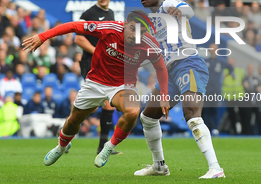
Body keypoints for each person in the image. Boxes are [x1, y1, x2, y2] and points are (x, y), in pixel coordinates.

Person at [22, 10, 169, 168]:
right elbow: (73, 26)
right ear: (125, 24)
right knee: (74, 120)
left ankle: (108, 147)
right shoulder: (110, 29)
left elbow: (161, 68)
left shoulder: (149, 45)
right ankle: (61, 146)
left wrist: (165, 95)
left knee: (133, 111)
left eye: (141, 32)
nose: (135, 35)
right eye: (132, 29)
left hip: (123, 85)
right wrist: (43, 36)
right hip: (95, 82)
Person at [136, 0, 225, 179]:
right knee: (148, 117)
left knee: (192, 115)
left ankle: (216, 168)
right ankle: (159, 166)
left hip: (188, 63)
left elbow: (188, 9)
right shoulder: (149, 23)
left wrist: (181, 11)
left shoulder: (168, 4)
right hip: (168, 72)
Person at [74, 0, 119, 155]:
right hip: (90, 63)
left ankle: (103, 146)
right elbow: (79, 39)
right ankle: (64, 129)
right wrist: (98, 52)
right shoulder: (89, 14)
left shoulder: (111, 14)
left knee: (107, 104)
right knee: (93, 105)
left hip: (105, 65)